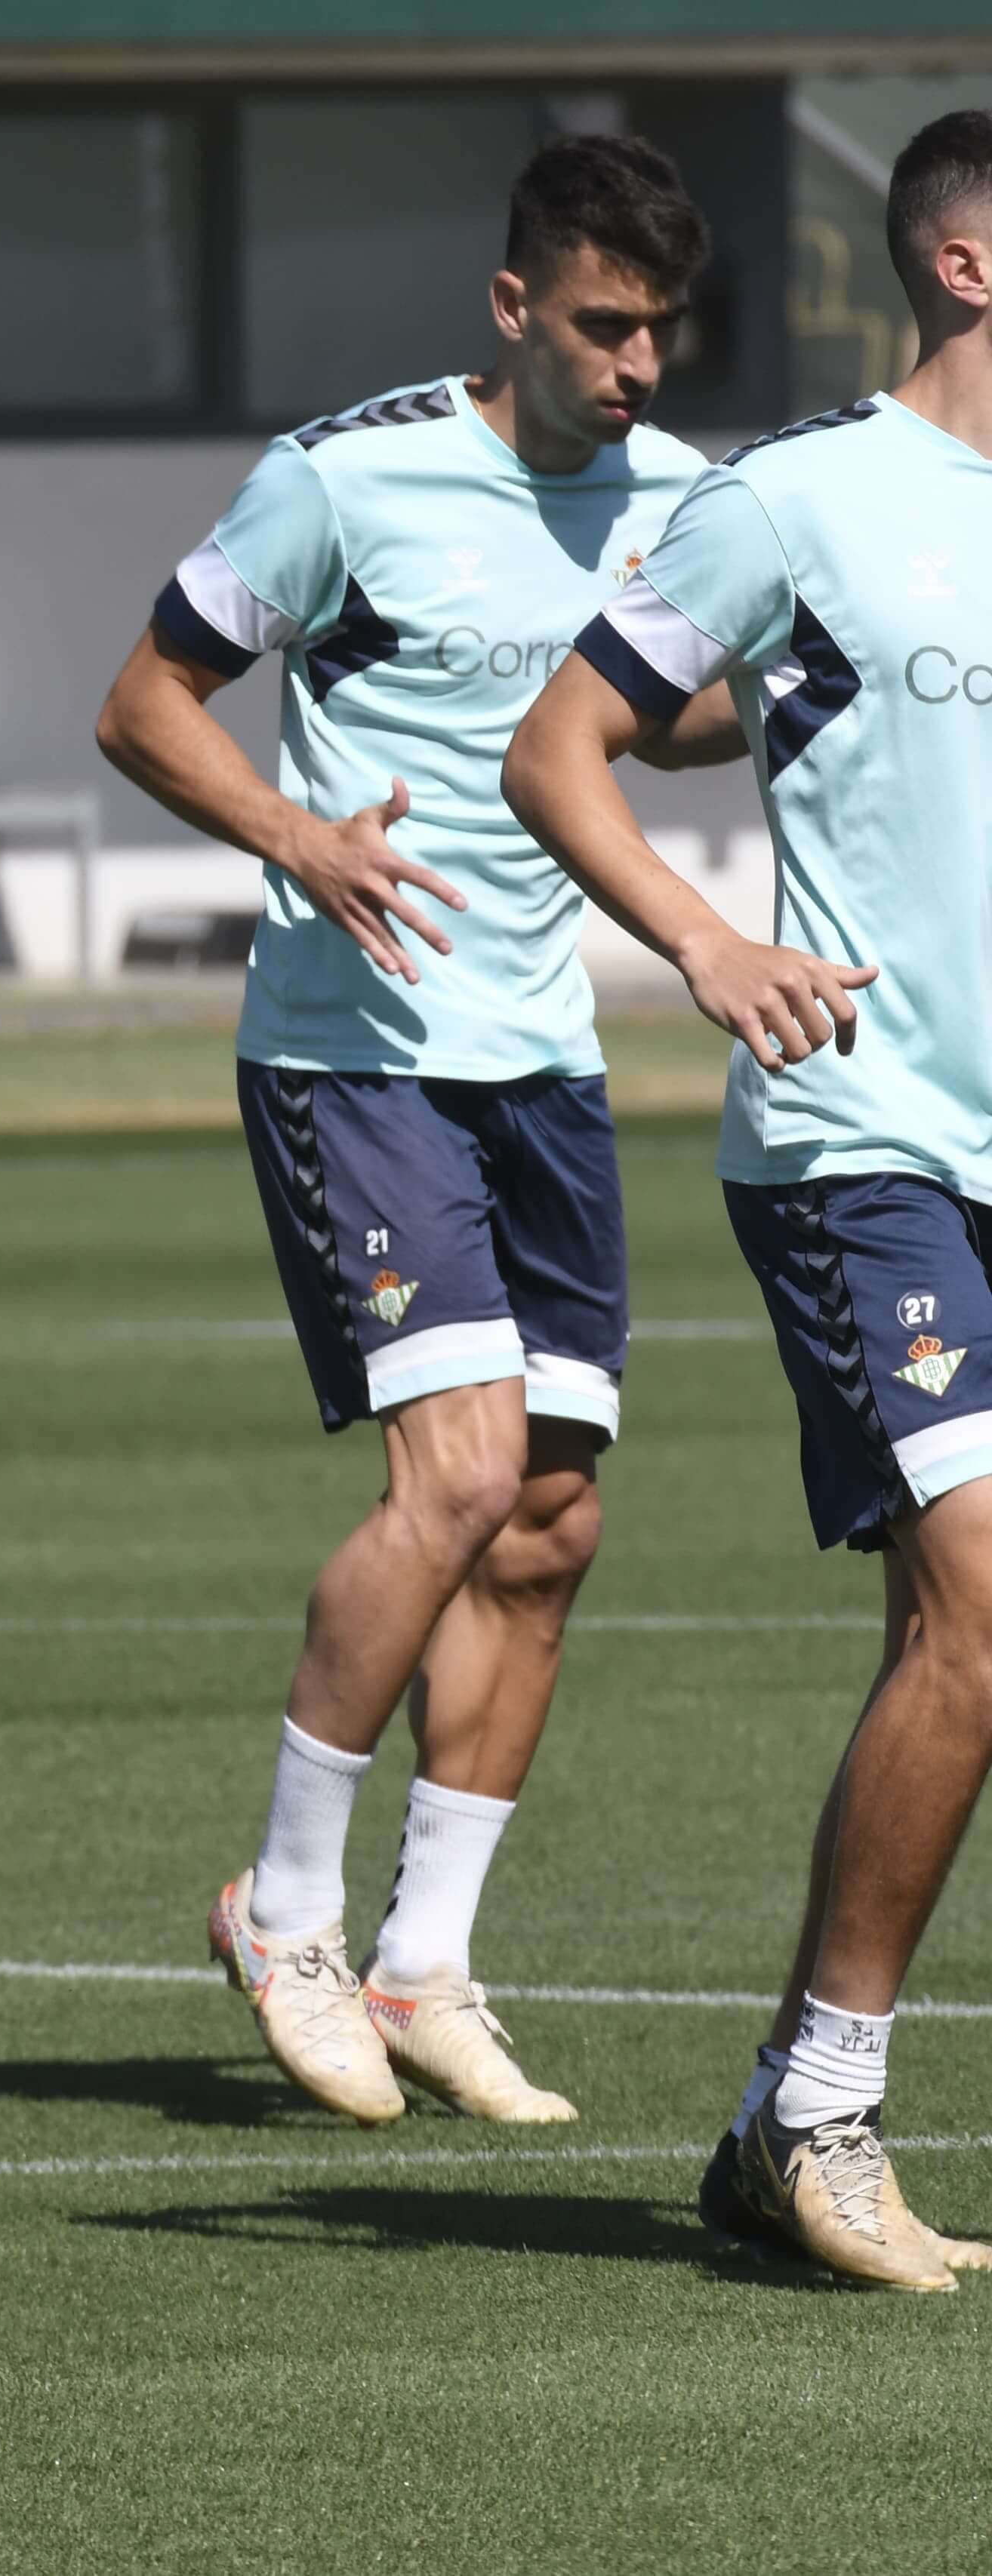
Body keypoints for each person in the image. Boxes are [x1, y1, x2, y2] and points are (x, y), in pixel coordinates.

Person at [93, 136, 736, 2125]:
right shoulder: (345, 475)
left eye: (661, 332)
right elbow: (143, 702)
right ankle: (283, 1905)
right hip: (353, 1043)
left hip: (541, 1052)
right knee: (454, 1474)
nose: (636, 366)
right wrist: (297, 834)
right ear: (514, 307)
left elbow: (686, 707)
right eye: (605, 325)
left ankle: (426, 1958)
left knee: (553, 1520)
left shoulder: (690, 499)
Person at [504, 109, 992, 2289]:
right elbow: (562, 749)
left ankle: (769, 2125)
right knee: (987, 1612)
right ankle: (822, 2114)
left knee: (961, 1640)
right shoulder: (798, 494)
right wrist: (707, 945)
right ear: (969, 264)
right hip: (863, 1143)